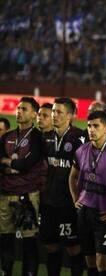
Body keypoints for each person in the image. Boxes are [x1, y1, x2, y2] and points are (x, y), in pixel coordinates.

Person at [69, 111, 106, 276]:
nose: (91, 130)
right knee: (90, 260)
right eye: (89, 126)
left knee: (103, 261)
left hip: (105, 214)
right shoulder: (81, 150)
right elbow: (72, 177)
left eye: (96, 126)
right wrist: (75, 199)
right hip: (84, 212)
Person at [0, 97, 45, 276]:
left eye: (24, 109)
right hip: (5, 194)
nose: (19, 111)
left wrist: (8, 164)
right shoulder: (7, 136)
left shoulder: (37, 137)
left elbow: (28, 165)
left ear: (34, 114)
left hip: (28, 195)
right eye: (18, 108)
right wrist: (14, 165)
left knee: (29, 244)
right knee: (5, 241)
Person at [40, 98, 85, 276]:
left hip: (69, 202)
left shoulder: (80, 137)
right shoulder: (45, 137)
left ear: (70, 116)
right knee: (51, 245)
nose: (54, 115)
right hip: (48, 201)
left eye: (59, 112)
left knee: (73, 247)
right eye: (53, 111)